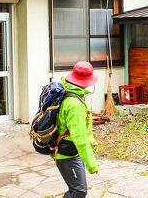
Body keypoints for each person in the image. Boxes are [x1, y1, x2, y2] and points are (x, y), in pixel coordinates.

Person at [54, 61, 99, 198]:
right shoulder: (74, 105)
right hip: (68, 153)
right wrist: (92, 164)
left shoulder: (70, 92)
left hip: (70, 151)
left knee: (78, 189)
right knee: (78, 191)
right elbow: (79, 138)